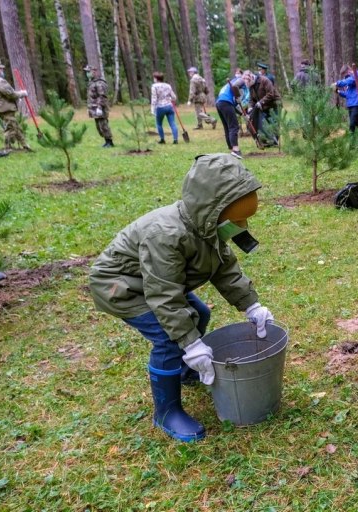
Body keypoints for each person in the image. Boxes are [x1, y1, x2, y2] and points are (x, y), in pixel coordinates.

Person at [88, 153, 275, 442]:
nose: (240, 225)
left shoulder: (207, 227)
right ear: (212, 209)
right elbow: (164, 295)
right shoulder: (166, 234)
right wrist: (190, 344)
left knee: (199, 314)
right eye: (236, 219)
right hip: (120, 286)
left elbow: (225, 269)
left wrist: (252, 304)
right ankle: (166, 411)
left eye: (244, 220)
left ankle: (186, 372)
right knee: (169, 337)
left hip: (154, 281)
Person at [0, 61, 31, 152]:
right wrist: (22, 93)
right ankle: (7, 148)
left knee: (14, 127)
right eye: (0, 69)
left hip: (0, 108)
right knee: (11, 129)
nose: (2, 70)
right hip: (6, 108)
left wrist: (16, 97)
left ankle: (25, 146)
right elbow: (11, 94)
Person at [243, 70, 281, 147]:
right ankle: (268, 141)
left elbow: (271, 94)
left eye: (249, 83)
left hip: (274, 104)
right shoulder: (251, 86)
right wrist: (250, 107)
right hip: (264, 106)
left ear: (252, 78)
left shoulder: (264, 80)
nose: (249, 86)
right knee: (265, 124)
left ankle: (275, 142)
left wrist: (261, 102)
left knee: (274, 123)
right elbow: (251, 99)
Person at [215, 74, 248, 158]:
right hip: (226, 102)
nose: (247, 80)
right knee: (234, 126)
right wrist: (237, 96)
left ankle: (231, 148)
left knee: (227, 127)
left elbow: (233, 105)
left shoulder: (229, 84)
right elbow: (235, 87)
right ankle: (236, 150)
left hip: (219, 103)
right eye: (247, 78)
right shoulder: (240, 80)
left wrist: (242, 114)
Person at [84, 65, 114, 148]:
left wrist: (99, 107)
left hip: (100, 107)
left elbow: (102, 96)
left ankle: (109, 142)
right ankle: (106, 141)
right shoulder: (91, 83)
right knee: (99, 126)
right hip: (93, 107)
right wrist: (89, 107)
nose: (87, 74)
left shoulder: (100, 83)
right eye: (86, 72)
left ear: (94, 72)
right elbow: (91, 96)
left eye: (88, 72)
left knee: (103, 125)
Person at [332, 65, 358, 136]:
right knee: (356, 124)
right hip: (351, 104)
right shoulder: (349, 81)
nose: (345, 77)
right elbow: (347, 94)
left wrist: (337, 83)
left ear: (348, 70)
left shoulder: (357, 74)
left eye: (345, 74)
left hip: (357, 103)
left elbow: (348, 81)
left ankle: (351, 140)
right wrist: (338, 91)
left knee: (352, 124)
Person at [150, 71, 180, 145]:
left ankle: (162, 139)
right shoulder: (168, 85)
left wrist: (152, 109)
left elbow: (154, 99)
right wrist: (170, 99)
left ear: (156, 79)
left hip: (160, 107)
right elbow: (174, 97)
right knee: (173, 123)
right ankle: (175, 140)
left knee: (159, 124)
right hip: (169, 106)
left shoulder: (154, 86)